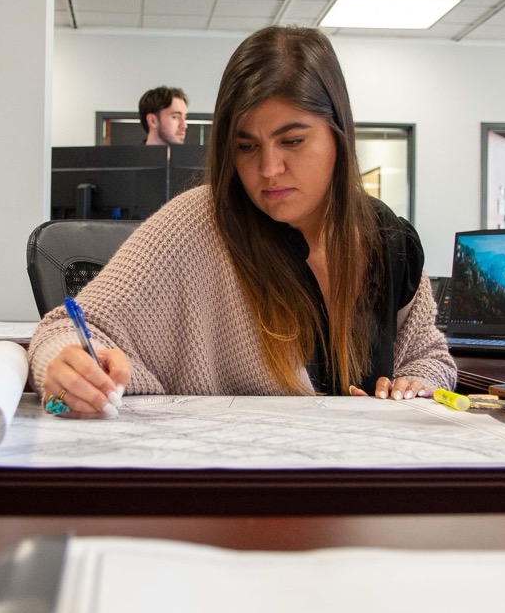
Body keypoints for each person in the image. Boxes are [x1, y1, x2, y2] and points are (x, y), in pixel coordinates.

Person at [30, 26, 455, 418]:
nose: (269, 168)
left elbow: (428, 355)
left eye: (292, 140)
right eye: (246, 146)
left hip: (366, 484)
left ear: (338, 134)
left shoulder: (387, 239)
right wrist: (70, 366)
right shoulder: (193, 226)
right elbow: (64, 331)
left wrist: (414, 387)